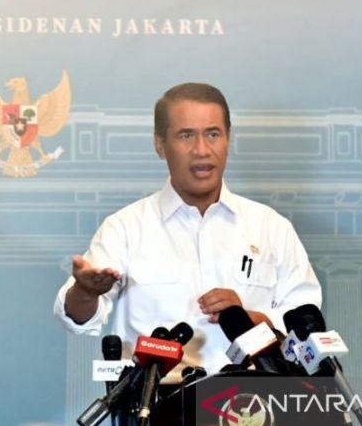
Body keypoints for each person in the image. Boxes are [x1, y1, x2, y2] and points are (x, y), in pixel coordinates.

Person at [53, 83, 321, 376]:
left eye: (213, 134)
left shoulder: (272, 227)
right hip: (157, 400)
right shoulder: (125, 227)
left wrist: (249, 319)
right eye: (186, 135)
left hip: (256, 399)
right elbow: (77, 320)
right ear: (160, 144)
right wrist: (86, 292)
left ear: (228, 139)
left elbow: (307, 325)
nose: (202, 150)